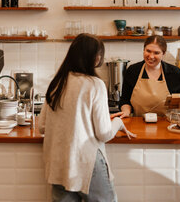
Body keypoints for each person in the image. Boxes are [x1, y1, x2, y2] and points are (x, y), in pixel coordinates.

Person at [38, 33, 135, 202]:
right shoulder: (95, 84)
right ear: (95, 58)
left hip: (59, 164)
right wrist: (118, 122)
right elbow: (104, 134)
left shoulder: (57, 83)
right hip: (87, 165)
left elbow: (42, 126)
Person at [115, 35, 180, 118]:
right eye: (148, 51)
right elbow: (125, 100)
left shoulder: (175, 73)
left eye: (156, 53)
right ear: (144, 50)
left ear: (163, 53)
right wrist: (126, 111)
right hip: (138, 123)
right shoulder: (133, 71)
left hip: (166, 125)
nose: (151, 56)